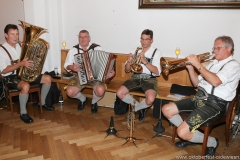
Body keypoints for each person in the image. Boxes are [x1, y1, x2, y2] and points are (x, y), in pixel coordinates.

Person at [162, 36, 240, 156]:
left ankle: (212, 142)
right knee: (166, 109)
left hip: (215, 105)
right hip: (199, 99)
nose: (214, 51)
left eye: (218, 48)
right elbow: (196, 84)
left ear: (229, 48)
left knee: (182, 132)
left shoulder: (233, 65)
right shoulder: (213, 63)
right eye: (214, 48)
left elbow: (216, 81)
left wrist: (198, 65)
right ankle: (191, 136)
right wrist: (190, 68)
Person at [0, 24, 55, 124]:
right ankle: (23, 113)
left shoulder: (21, 46)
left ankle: (41, 103)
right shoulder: (1, 50)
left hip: (23, 73)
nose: (15, 37)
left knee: (48, 78)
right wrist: (21, 64)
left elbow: (34, 56)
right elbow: (4, 71)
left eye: (17, 34)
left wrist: (43, 48)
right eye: (12, 34)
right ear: (6, 35)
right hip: (9, 76)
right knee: (25, 86)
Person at [64, 30, 115, 114]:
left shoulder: (97, 48)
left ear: (89, 38)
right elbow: (66, 64)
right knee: (69, 92)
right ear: (78, 38)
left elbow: (105, 63)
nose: (82, 39)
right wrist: (71, 67)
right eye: (80, 37)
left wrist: (109, 72)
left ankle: (94, 102)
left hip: (96, 77)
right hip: (80, 76)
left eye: (85, 37)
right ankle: (83, 99)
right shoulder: (73, 50)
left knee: (100, 91)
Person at [116, 29, 162, 121]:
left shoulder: (156, 52)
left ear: (151, 40)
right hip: (135, 77)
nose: (143, 42)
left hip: (150, 78)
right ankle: (141, 108)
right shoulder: (135, 50)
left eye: (146, 39)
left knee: (150, 99)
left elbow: (157, 72)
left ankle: (135, 109)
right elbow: (127, 70)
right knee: (119, 93)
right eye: (142, 39)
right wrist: (129, 62)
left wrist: (145, 61)